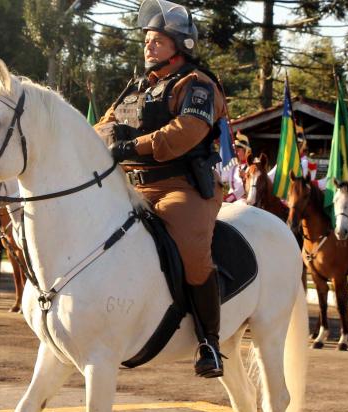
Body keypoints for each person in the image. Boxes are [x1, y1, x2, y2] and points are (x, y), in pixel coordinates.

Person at [95, 0, 227, 378]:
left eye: (158, 40)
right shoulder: (135, 88)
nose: (148, 45)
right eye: (148, 40)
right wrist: (102, 141)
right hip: (131, 185)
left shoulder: (198, 86)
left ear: (180, 45)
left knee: (190, 250)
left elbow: (183, 134)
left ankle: (210, 343)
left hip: (179, 187)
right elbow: (102, 127)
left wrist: (129, 146)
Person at [222, 133, 252, 203]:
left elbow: (242, 189)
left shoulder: (250, 168)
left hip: (243, 201)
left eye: (238, 151)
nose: (236, 153)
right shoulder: (233, 168)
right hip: (230, 201)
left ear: (246, 151)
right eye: (236, 150)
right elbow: (221, 177)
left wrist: (228, 199)